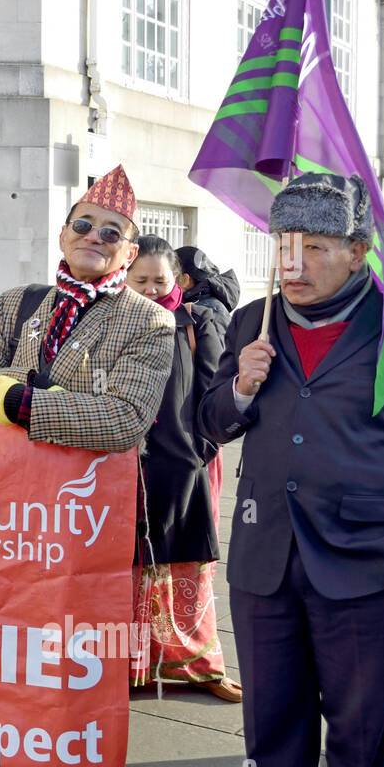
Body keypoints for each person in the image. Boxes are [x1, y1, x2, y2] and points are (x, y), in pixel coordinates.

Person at [198, 173, 384, 767]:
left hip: (368, 565)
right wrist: (241, 391)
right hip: (265, 559)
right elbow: (211, 423)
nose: (293, 263)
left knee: (359, 737)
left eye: (314, 247)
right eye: (284, 244)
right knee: (272, 729)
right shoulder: (252, 319)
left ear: (359, 249)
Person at [0, 164, 174, 767]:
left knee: (83, 670)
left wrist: (22, 401)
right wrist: (8, 396)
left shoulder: (148, 324)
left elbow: (124, 419)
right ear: (63, 233)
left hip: (89, 529)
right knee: (22, 665)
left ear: (129, 251)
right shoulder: (18, 303)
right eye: (84, 224)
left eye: (112, 232)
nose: (95, 236)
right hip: (13, 518)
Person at [124, 237, 240, 702]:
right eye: (140, 280)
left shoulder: (196, 322)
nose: (150, 290)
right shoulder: (112, 322)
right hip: (122, 467)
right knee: (129, 567)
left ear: (180, 282)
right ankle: (130, 665)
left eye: (160, 280)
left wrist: (199, 451)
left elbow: (214, 395)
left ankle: (199, 665)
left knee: (186, 568)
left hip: (181, 465)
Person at [175, 246, 241, 337]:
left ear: (185, 279)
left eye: (172, 275)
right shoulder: (195, 304)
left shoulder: (210, 311)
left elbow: (221, 350)